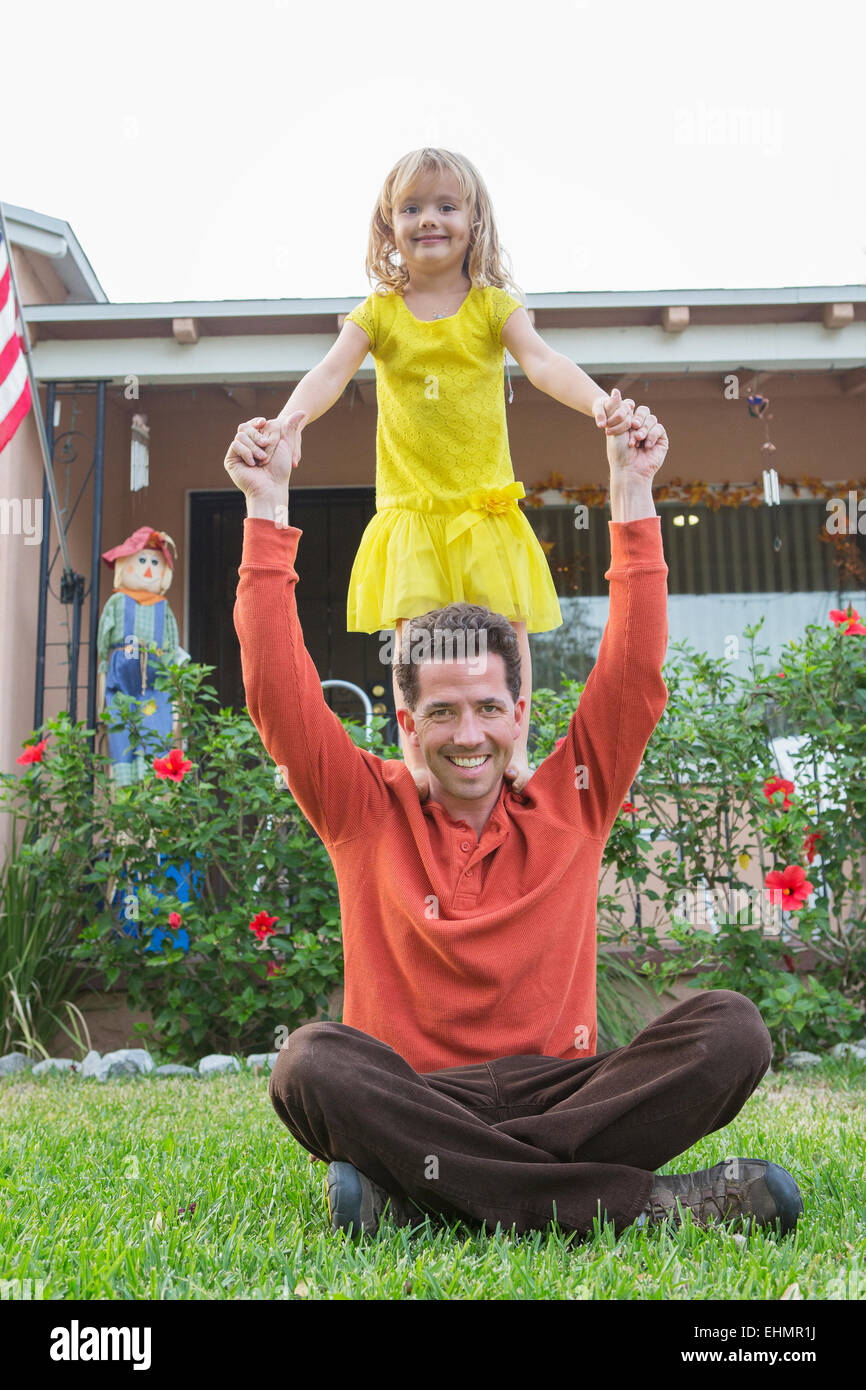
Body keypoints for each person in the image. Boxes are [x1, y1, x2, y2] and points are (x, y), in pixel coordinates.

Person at [225, 397, 804, 1243]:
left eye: (489, 708)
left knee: (731, 1031)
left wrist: (632, 488)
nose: (470, 735)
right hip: (413, 1093)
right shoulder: (360, 805)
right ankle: (646, 1205)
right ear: (408, 721)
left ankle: (424, 1194)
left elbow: (635, 673)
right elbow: (276, 690)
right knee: (311, 1062)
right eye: (447, 712)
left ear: (521, 710)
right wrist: (266, 507)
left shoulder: (575, 793)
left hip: (563, 1092)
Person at [248, 146, 640, 799]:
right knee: (415, 635)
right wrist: (289, 421)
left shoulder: (491, 307)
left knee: (507, 632)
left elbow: (543, 362)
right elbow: (329, 372)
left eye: (446, 206)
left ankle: (513, 751)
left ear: (474, 221)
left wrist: (599, 403)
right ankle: (419, 760)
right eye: (411, 208)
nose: (429, 219)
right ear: (388, 225)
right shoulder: (379, 311)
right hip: (413, 510)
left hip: (483, 505)